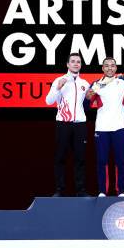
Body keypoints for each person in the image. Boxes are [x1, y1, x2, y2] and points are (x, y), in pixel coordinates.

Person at [45, 53, 91, 197]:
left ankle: (81, 190)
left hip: (80, 125)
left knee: (80, 158)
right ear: (67, 64)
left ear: (81, 65)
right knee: (60, 157)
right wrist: (57, 88)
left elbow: (88, 105)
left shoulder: (85, 83)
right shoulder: (59, 80)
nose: (76, 64)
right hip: (63, 124)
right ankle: (59, 189)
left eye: (78, 62)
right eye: (73, 61)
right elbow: (48, 101)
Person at [86, 57, 124, 197]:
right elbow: (87, 105)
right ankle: (102, 191)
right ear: (102, 68)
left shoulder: (123, 82)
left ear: (116, 68)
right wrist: (88, 97)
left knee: (121, 161)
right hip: (102, 128)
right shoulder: (96, 84)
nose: (110, 68)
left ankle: (121, 191)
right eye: (107, 66)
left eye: (112, 66)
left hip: (119, 127)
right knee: (102, 161)